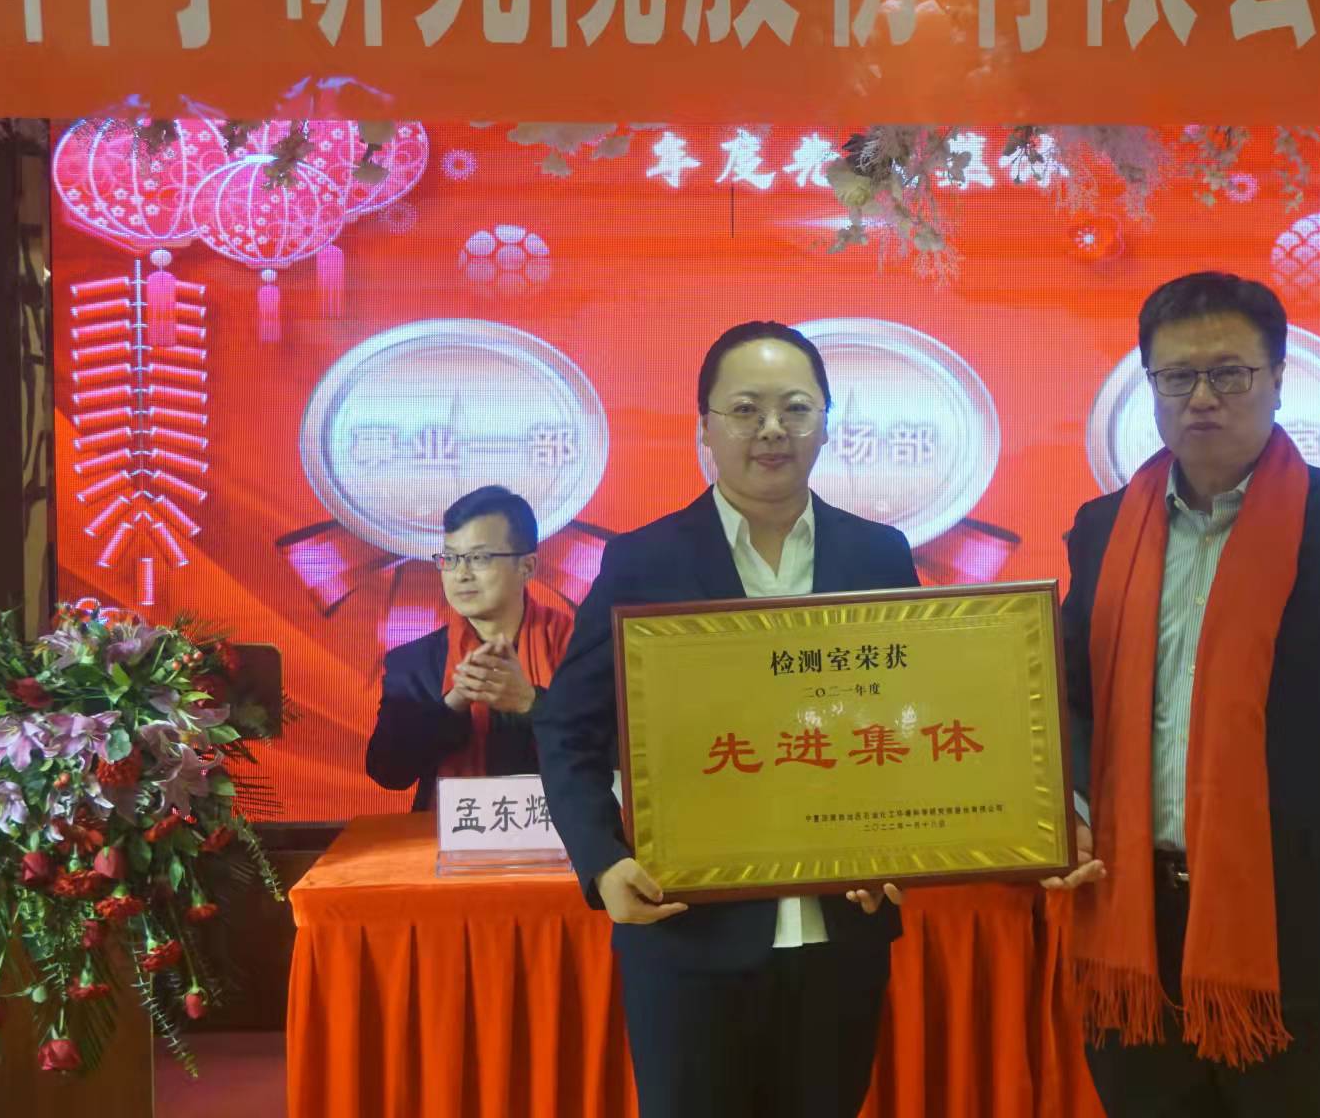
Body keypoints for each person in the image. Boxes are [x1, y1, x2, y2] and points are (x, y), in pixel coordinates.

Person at [1044, 272, 1320, 1117]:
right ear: (1150, 385)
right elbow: (1070, 701)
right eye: (1177, 376)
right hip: (1131, 916)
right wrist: (1073, 804)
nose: (1202, 397)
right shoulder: (1102, 528)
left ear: (1277, 380)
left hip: (1298, 924)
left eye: (1229, 373)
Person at [535, 321, 918, 1118]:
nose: (772, 429)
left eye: (795, 408)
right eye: (745, 409)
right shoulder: (644, 561)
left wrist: (908, 845)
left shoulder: (879, 555)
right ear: (704, 428)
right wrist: (603, 864)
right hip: (688, 936)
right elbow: (567, 728)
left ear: (827, 423)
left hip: (842, 936)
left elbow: (913, 722)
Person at [364, 485, 573, 811]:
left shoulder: (578, 646)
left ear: (527, 566)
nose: (461, 574)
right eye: (450, 558)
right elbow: (389, 772)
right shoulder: (415, 662)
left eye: (479, 558)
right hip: (452, 835)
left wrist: (529, 703)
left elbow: (619, 752)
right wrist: (454, 704)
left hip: (567, 836)